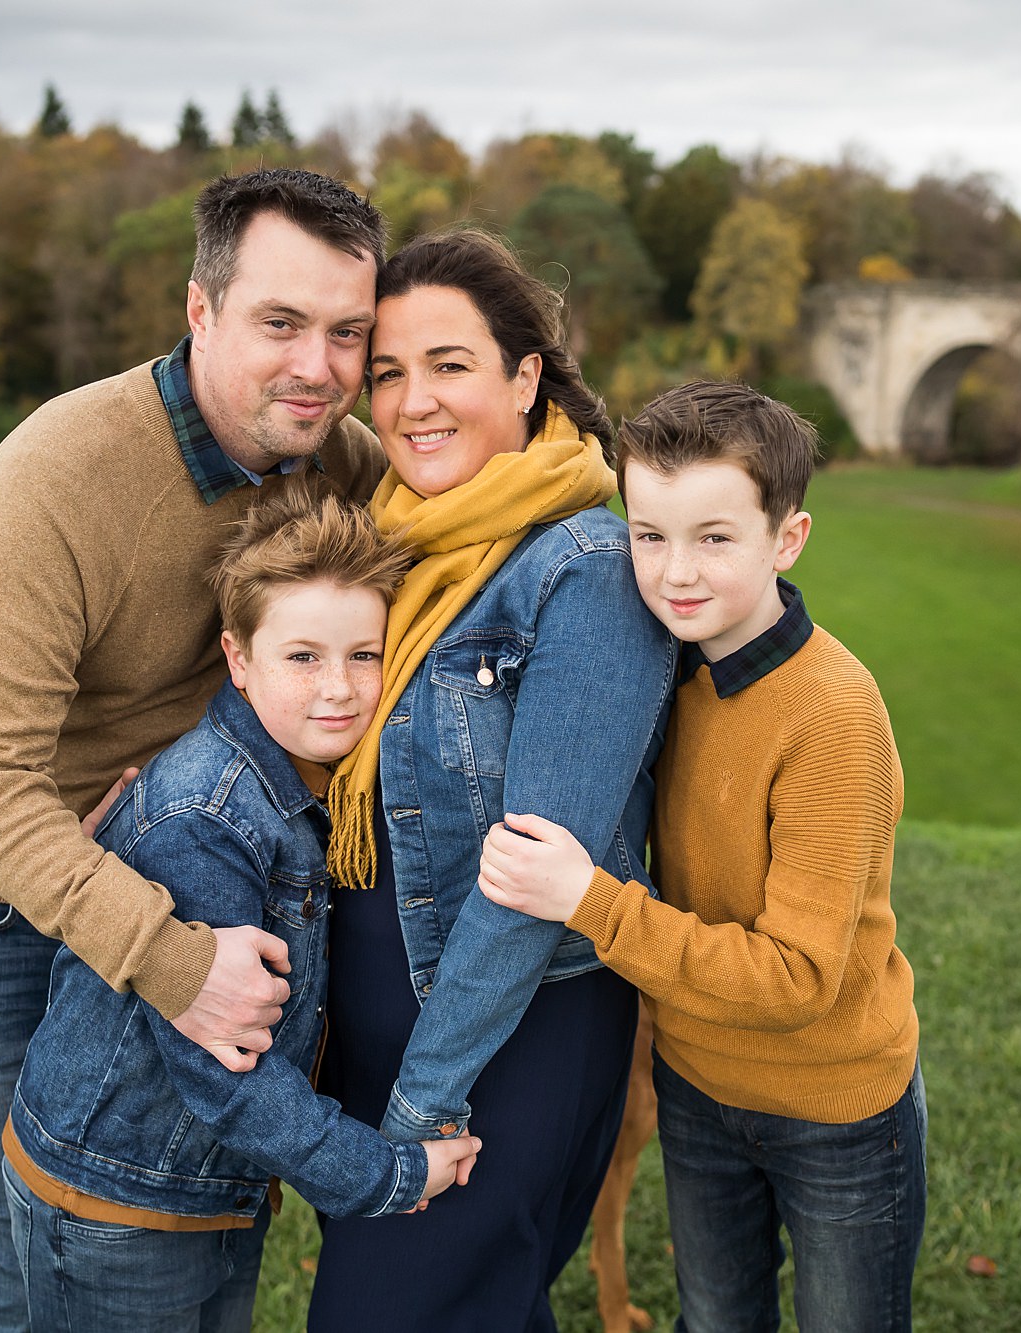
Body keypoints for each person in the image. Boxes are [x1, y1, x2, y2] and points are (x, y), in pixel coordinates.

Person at [0, 168, 388, 1331]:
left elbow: (473, 480)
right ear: (199, 310)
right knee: (17, 1267)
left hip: (171, 864)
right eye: (279, 323)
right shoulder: (58, 472)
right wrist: (168, 960)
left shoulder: (336, 459)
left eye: (346, 332)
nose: (318, 366)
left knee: (178, 1218)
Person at [479, 381, 925, 1333]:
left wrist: (588, 902)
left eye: (715, 538)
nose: (675, 571)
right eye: (649, 535)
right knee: (718, 1319)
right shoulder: (667, 667)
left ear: (788, 539)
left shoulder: (831, 716)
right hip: (695, 1086)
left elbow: (799, 976)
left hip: (833, 1105)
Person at [306, 229, 675, 1332]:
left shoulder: (587, 571)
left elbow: (530, 875)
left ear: (525, 377)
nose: (412, 400)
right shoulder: (392, 545)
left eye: (450, 365)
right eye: (388, 371)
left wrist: (424, 1101)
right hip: (369, 1026)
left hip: (504, 1042)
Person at [2, 487, 481, 1333]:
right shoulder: (210, 819)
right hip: (116, 1197)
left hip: (208, 1186)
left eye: (363, 655)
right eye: (303, 657)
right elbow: (225, 1074)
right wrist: (387, 1174)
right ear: (238, 657)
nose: (339, 688)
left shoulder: (319, 778)